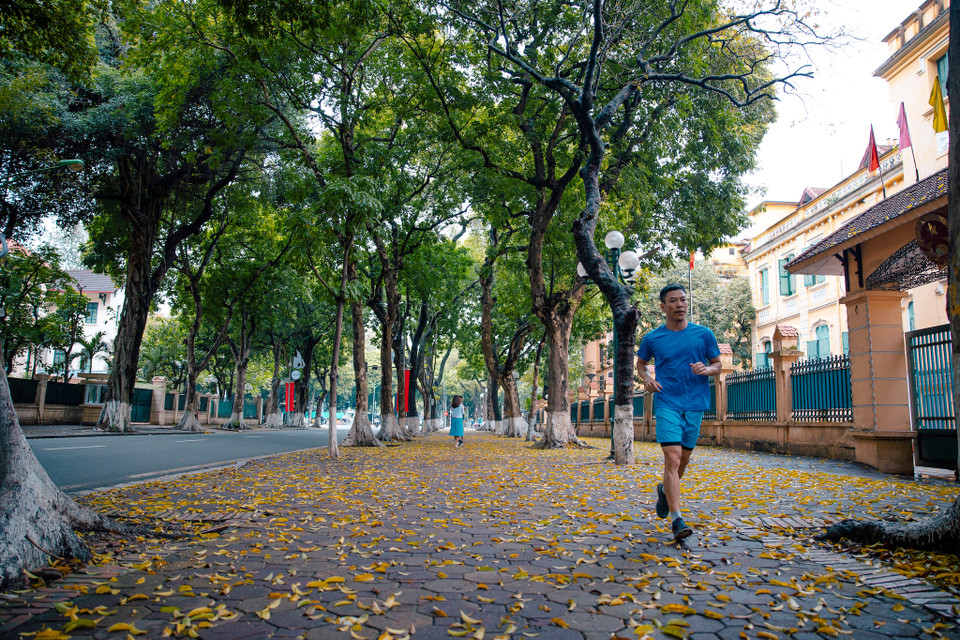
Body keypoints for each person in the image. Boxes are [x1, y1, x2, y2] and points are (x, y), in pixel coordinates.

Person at [636, 284, 721, 542]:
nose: (680, 304)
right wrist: (647, 379)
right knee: (672, 459)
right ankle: (676, 518)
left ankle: (664, 490)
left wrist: (707, 370)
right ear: (663, 307)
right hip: (666, 402)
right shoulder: (653, 338)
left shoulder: (704, 334)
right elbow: (641, 364)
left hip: (695, 403)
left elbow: (718, 364)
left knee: (683, 460)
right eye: (673, 301)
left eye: (683, 300)